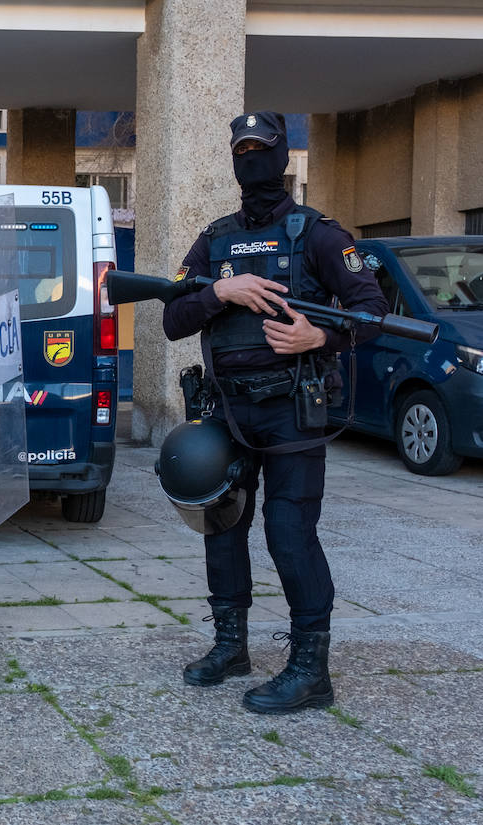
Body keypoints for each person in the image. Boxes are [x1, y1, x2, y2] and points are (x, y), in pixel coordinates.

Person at [162, 111, 387, 714]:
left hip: (292, 412)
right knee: (220, 528)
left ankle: (311, 671)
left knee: (289, 535)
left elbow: (371, 310)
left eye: (261, 148)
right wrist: (219, 292)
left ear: (283, 156)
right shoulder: (214, 239)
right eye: (242, 148)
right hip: (228, 413)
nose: (251, 158)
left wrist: (321, 339)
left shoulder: (318, 233)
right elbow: (172, 318)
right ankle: (230, 647)